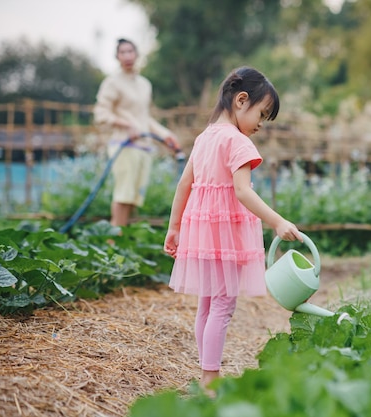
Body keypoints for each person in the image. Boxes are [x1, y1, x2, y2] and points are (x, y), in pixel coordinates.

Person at [163, 66, 302, 390]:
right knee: (223, 304)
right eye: (261, 115)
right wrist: (278, 221)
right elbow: (242, 190)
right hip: (223, 233)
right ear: (241, 100)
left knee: (208, 303)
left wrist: (174, 227)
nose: (260, 126)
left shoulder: (205, 137)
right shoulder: (238, 142)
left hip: (202, 230)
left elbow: (185, 183)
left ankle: (205, 373)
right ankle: (210, 379)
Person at [93, 38, 180, 227]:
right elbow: (101, 113)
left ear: (137, 54)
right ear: (117, 57)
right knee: (123, 195)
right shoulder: (112, 83)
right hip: (123, 145)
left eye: (130, 51)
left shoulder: (144, 84)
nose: (127, 56)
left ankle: (122, 241)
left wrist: (166, 135)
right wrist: (125, 124)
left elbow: (145, 118)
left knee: (133, 199)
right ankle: (113, 241)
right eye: (122, 52)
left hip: (143, 147)